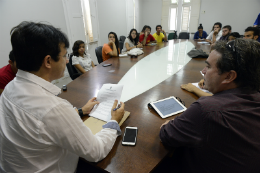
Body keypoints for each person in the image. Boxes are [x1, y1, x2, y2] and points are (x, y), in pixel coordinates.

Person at [0, 21, 125, 173]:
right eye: (64, 56)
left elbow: (41, 124)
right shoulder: (53, 107)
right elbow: (96, 151)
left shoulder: (8, 89)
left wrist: (79, 111)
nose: (67, 61)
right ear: (48, 61)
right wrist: (114, 121)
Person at [160, 39, 260, 173]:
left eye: (208, 66)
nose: (203, 71)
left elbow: (167, 135)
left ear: (229, 76)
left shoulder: (206, 110)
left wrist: (169, 124)